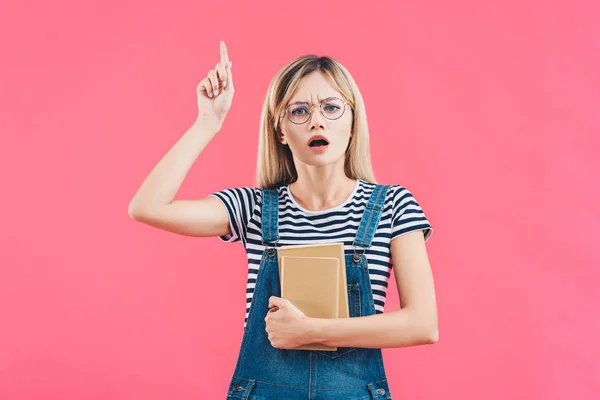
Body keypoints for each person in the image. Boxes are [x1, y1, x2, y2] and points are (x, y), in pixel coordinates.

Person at [129, 41, 438, 400]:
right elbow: (147, 207)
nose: (317, 120)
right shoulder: (254, 208)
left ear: (353, 122)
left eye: (332, 107)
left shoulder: (392, 205)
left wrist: (308, 330)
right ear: (279, 131)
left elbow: (423, 324)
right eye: (299, 111)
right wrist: (207, 122)